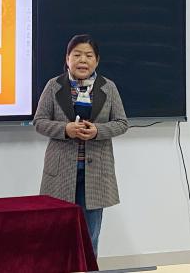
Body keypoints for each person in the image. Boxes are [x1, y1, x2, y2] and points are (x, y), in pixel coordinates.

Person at [33, 34, 128, 257]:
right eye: (76, 55)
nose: (82, 60)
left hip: (96, 172)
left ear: (97, 60)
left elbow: (122, 123)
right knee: (58, 233)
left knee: (89, 235)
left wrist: (98, 131)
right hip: (61, 172)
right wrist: (65, 129)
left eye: (88, 55)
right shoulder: (54, 86)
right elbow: (39, 121)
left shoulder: (108, 88)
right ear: (67, 59)